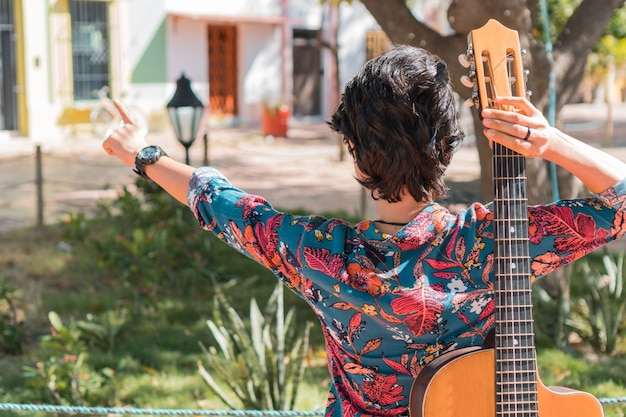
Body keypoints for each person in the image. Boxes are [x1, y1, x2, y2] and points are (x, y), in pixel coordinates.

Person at [103, 45, 626, 416]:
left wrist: (140, 153)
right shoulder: (499, 242)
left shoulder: (319, 255)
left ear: (356, 155)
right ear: (448, 147)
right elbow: (620, 202)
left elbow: (216, 201)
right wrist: (549, 140)